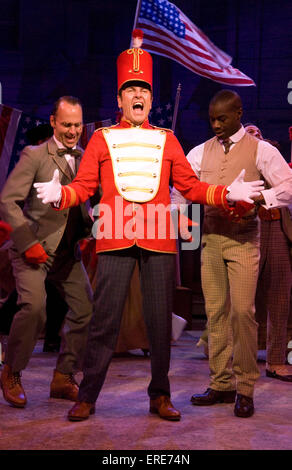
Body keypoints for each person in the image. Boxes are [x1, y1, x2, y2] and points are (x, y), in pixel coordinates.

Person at [34, 31, 263, 422]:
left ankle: (160, 396)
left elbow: (190, 187)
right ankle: (88, 395)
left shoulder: (168, 140)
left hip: (158, 239)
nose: (138, 94)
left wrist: (226, 193)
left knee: (160, 326)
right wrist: (62, 195)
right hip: (115, 237)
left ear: (151, 99)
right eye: (130, 89)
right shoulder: (102, 139)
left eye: (144, 89)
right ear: (119, 98)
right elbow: (85, 186)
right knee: (104, 322)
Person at [172, 90, 292, 418]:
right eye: (211, 119)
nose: (216, 125)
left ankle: (246, 387)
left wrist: (260, 199)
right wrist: (179, 213)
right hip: (211, 240)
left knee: (242, 312)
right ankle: (221, 384)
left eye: (222, 118)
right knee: (216, 314)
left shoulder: (261, 150)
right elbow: (180, 188)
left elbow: (289, 185)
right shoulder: (200, 152)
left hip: (243, 241)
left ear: (238, 113)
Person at [0, 96, 94, 408]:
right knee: (35, 308)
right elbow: (7, 201)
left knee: (85, 310)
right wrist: (28, 243)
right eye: (67, 124)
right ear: (53, 122)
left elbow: (85, 198)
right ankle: (11, 371)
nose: (73, 131)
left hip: (67, 253)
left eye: (77, 124)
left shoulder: (84, 157)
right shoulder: (35, 155)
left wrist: (88, 225)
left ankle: (63, 377)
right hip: (34, 250)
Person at [244, 123, 292, 381]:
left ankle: (275, 360)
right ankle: (242, 358)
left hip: (277, 229)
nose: (255, 135)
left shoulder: (275, 162)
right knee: (243, 299)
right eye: (249, 132)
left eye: (258, 132)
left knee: (280, 297)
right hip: (250, 229)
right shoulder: (240, 164)